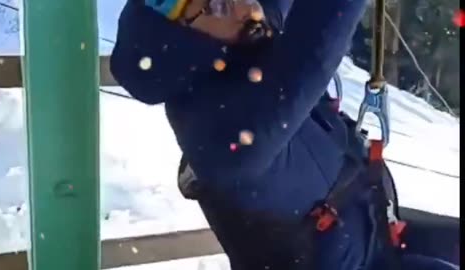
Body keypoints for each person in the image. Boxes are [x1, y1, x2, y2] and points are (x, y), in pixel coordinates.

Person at [110, 0, 459, 269]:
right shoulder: (225, 127)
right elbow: (318, 42)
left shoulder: (235, 41)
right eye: (216, 4)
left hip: (377, 234)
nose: (244, 4)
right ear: (184, 38)